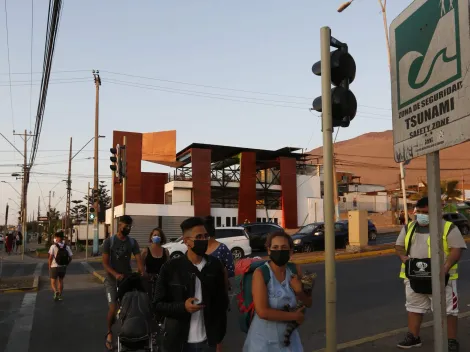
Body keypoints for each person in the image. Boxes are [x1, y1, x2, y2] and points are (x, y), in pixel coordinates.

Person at [395, 197, 467, 351]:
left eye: (425, 212)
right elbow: (399, 246)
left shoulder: (448, 227)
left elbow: (456, 249)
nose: (421, 215)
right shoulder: (409, 228)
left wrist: (446, 267)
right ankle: (413, 337)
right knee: (414, 308)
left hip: (442, 279)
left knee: (448, 311)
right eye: (419, 212)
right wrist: (403, 258)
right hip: (414, 277)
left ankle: (451, 341)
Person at [154, 216, 228, 351]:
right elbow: (158, 305)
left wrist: (218, 338)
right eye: (199, 237)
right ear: (187, 241)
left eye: (206, 236)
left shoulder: (215, 266)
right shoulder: (170, 268)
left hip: (208, 342)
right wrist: (183, 307)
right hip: (178, 342)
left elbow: (221, 304)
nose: (204, 240)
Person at [243, 231, 312, 352]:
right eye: (275, 247)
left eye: (284, 247)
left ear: (290, 251)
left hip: (289, 342)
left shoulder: (295, 270)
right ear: (269, 250)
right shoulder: (261, 273)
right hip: (264, 343)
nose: (279, 251)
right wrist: (295, 316)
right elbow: (263, 312)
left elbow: (308, 302)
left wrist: (299, 291)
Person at [102, 215, 144, 351]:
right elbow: (105, 263)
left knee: (128, 307)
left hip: (126, 279)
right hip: (111, 280)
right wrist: (115, 275)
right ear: (119, 225)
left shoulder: (132, 242)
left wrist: (141, 271)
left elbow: (138, 259)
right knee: (113, 308)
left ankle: (126, 333)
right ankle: (109, 332)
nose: (128, 228)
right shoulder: (109, 242)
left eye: (130, 226)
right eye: (126, 226)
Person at [48, 231, 73, 301]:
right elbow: (71, 257)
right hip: (63, 266)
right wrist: (66, 264)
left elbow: (50, 258)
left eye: (56, 237)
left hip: (54, 266)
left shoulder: (53, 246)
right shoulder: (66, 247)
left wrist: (49, 266)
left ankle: (56, 292)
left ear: (57, 238)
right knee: (61, 281)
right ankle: (60, 296)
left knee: (53, 282)